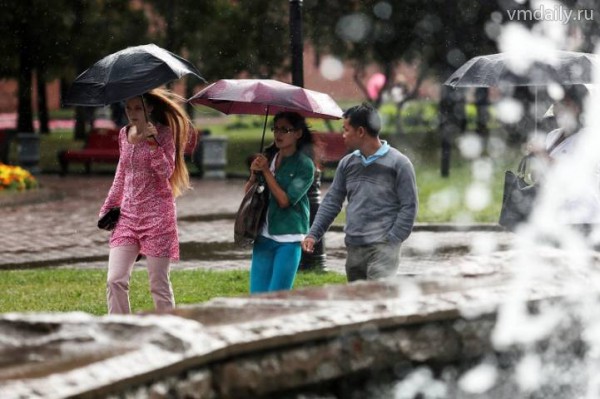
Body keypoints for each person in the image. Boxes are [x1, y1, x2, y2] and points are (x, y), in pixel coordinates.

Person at [99, 88, 195, 314]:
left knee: (158, 285)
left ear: (149, 108)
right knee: (115, 279)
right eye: (128, 108)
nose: (132, 113)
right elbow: (121, 174)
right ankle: (121, 328)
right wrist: (107, 207)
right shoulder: (124, 134)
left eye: (137, 108)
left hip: (158, 217)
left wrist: (152, 143)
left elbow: (166, 171)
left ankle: (168, 329)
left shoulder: (164, 134)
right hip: (128, 217)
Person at [301, 103, 418, 281]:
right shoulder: (347, 164)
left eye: (346, 129)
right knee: (359, 302)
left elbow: (409, 206)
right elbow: (332, 201)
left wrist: (392, 240)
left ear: (361, 131)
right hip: (354, 247)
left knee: (377, 301)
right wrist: (313, 234)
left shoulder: (399, 163)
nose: (343, 135)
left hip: (383, 248)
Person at [246, 111, 316, 293]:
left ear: (298, 134)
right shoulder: (268, 158)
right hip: (263, 235)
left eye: (285, 130)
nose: (278, 134)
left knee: (277, 296)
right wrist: (254, 174)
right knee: (257, 296)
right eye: (276, 129)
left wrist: (267, 173)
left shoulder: (305, 165)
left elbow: (285, 200)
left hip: (288, 239)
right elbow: (248, 194)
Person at [528, 84, 600, 228]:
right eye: (557, 103)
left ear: (577, 107)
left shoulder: (589, 137)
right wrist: (534, 160)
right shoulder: (552, 136)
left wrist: (543, 154)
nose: (557, 109)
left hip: (583, 217)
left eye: (564, 104)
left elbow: (572, 171)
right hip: (555, 216)